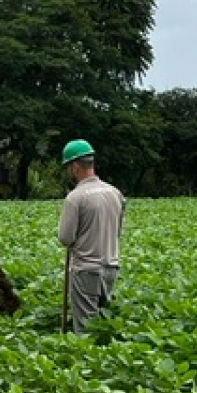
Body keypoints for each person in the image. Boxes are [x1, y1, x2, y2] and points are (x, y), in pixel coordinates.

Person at [57, 139, 126, 334]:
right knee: (102, 325)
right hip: (111, 267)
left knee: (85, 330)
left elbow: (65, 238)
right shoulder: (115, 193)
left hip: (86, 269)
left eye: (69, 166)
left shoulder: (75, 197)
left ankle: (84, 362)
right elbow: (118, 230)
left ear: (75, 166)